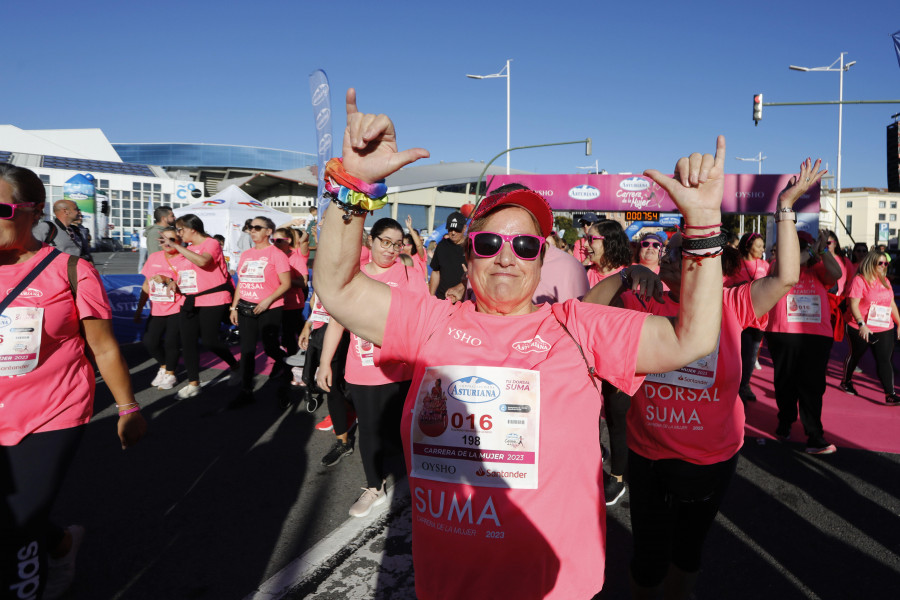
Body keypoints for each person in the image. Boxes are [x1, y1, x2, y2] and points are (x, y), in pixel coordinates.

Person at [312, 88, 725, 599]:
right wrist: (354, 186)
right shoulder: (429, 322)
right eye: (489, 243)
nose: (506, 256)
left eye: (524, 245)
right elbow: (338, 288)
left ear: (539, 260)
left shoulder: (579, 327)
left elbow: (693, 338)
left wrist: (704, 225)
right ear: (468, 259)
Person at [583, 158, 820, 600]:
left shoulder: (731, 304)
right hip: (648, 453)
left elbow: (787, 276)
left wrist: (786, 207)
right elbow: (583, 313)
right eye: (668, 253)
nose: (672, 259)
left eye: (682, 252)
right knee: (648, 557)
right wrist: (622, 277)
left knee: (688, 553)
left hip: (711, 459)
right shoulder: (642, 300)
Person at [0, 164, 147, 600]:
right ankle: (61, 542)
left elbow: (102, 348)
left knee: (16, 527)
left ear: (34, 211)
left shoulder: (70, 271)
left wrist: (128, 407)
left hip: (49, 412)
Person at [317, 218, 428, 516]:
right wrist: (325, 362)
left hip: (401, 366)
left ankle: (420, 481)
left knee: (402, 429)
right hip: (362, 365)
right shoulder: (356, 276)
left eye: (397, 243)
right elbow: (337, 320)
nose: (391, 249)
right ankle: (373, 486)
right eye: (385, 242)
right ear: (371, 241)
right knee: (367, 430)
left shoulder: (410, 274)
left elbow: (423, 317)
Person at [765, 229, 842, 454]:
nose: (800, 248)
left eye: (803, 244)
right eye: (796, 244)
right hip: (784, 331)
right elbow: (788, 267)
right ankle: (786, 420)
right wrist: (808, 251)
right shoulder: (776, 264)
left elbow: (836, 274)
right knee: (785, 381)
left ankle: (814, 435)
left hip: (816, 334)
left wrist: (824, 251)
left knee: (812, 385)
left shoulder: (818, 268)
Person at [171, 213, 239, 398]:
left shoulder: (211, 243)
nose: (179, 233)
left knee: (209, 340)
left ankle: (235, 366)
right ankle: (193, 383)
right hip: (191, 300)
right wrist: (173, 282)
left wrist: (177, 246)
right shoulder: (188, 249)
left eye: (180, 229)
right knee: (188, 341)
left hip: (214, 298)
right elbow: (183, 274)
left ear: (192, 228)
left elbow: (203, 261)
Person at [228, 216, 291, 407]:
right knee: (247, 351)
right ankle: (246, 391)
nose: (252, 231)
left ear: (268, 231)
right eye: (250, 227)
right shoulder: (246, 254)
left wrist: (267, 300)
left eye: (257, 227)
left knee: (271, 347)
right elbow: (242, 282)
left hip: (270, 308)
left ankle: (287, 367)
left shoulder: (276, 254)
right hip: (246, 307)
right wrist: (234, 306)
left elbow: (286, 283)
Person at [839, 250, 900, 405]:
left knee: (884, 360)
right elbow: (853, 305)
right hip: (859, 325)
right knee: (855, 355)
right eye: (880, 263)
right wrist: (862, 325)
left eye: (885, 263)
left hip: (884, 326)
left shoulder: (885, 280)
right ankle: (846, 381)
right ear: (870, 263)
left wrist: (899, 323)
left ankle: (890, 394)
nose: (883, 266)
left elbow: (891, 304)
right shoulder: (859, 280)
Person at [134, 226, 184, 391]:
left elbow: (189, 285)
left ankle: (171, 373)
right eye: (163, 240)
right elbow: (147, 284)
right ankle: (164, 366)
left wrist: (167, 279)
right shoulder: (154, 257)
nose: (167, 243)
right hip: (158, 308)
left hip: (178, 306)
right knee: (150, 341)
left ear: (180, 241)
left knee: (171, 341)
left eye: (172, 240)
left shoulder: (185, 258)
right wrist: (140, 309)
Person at [729, 231, 769, 403]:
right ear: (748, 246)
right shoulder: (736, 264)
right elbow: (725, 284)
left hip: (758, 318)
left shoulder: (765, 265)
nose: (762, 249)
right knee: (734, 355)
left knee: (751, 356)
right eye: (758, 246)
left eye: (763, 246)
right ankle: (732, 387)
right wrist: (740, 287)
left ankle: (744, 385)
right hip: (737, 317)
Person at [273, 226, 308, 359]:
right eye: (273, 240)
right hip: (275, 302)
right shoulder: (272, 256)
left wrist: (285, 279)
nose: (275, 243)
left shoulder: (295, 258)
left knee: (291, 335)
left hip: (292, 303)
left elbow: (303, 282)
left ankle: (295, 366)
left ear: (289, 241)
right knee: (282, 337)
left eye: (279, 240)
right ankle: (287, 363)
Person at [428, 210, 466, 299]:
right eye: (450, 229)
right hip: (442, 299)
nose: (453, 233)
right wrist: (431, 297)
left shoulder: (470, 247)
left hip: (464, 301)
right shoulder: (442, 245)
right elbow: (436, 271)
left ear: (464, 228)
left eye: (457, 230)